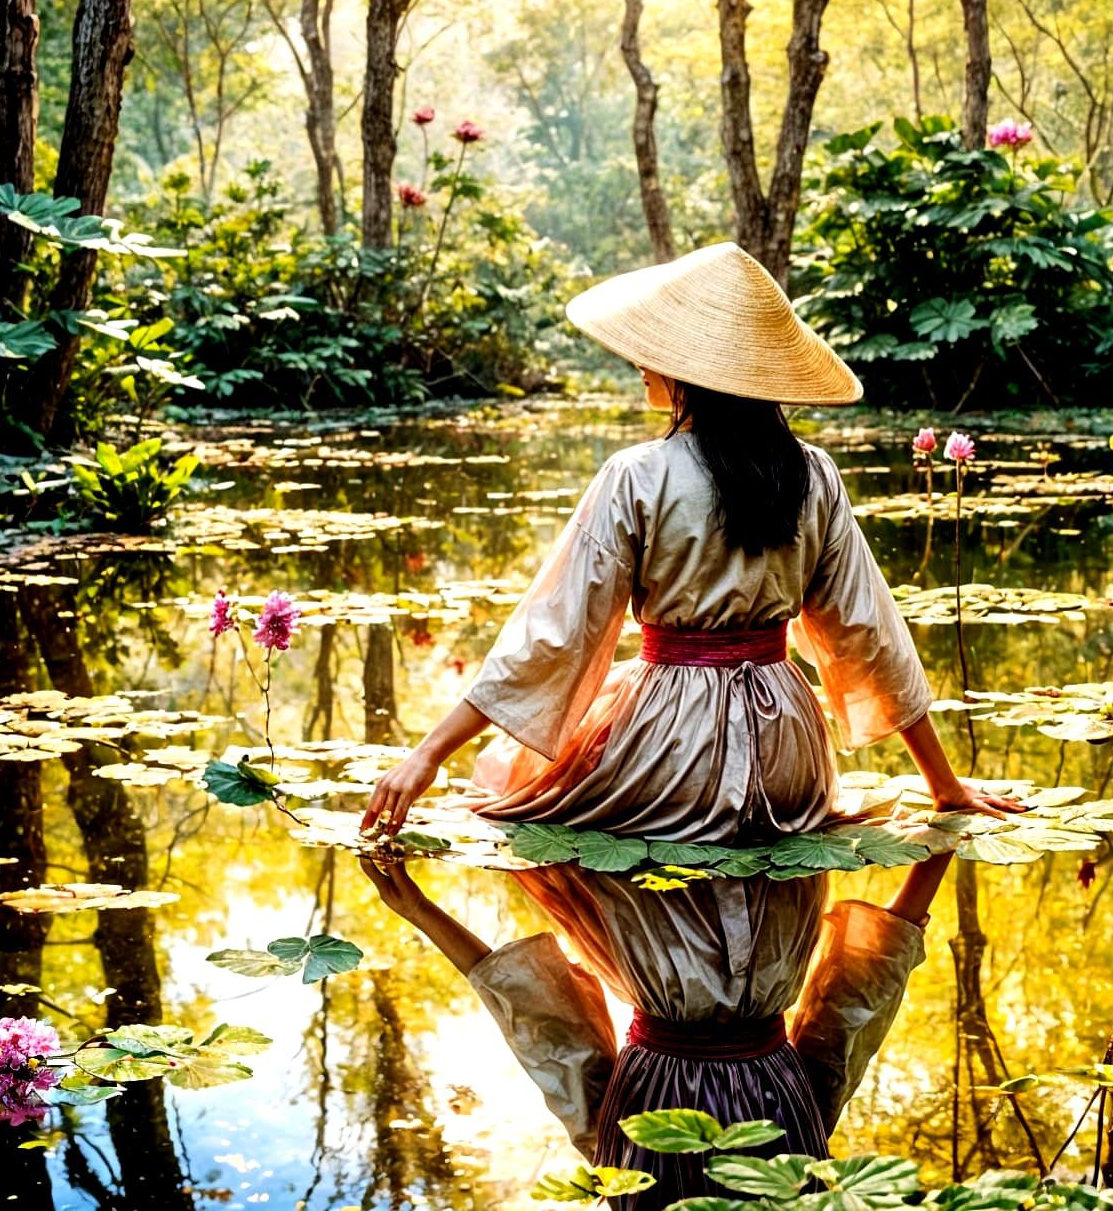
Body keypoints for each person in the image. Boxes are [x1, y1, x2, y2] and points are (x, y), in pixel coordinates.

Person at [363, 242, 1020, 843]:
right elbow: (867, 632)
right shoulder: (812, 471)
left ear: (690, 372)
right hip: (790, 750)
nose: (640, 362)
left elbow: (553, 635)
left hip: (671, 744)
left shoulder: (637, 475)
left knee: (509, 778)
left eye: (655, 350)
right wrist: (944, 785)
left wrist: (427, 753)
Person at [361, 853, 952, 1211]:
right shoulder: (788, 1153)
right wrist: (939, 848)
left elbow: (547, 1029)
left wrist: (420, 908)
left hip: (667, 904)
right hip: (743, 888)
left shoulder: (623, 1166)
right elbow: (852, 1007)